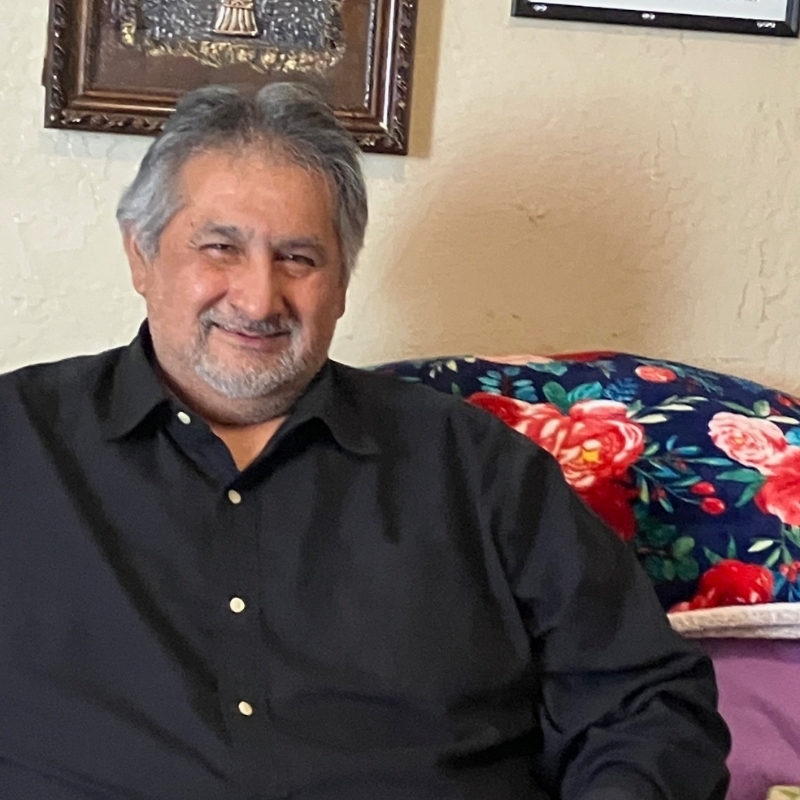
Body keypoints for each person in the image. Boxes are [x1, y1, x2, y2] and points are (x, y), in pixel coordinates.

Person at [0, 83, 730, 800]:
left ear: (343, 282)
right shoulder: (18, 440)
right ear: (141, 254)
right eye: (220, 248)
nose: (257, 298)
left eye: (298, 258)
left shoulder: (477, 470)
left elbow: (648, 705)